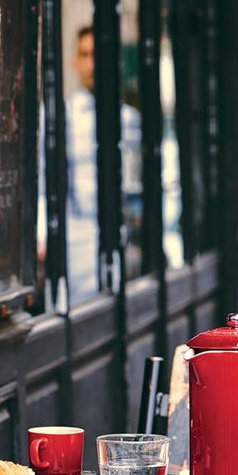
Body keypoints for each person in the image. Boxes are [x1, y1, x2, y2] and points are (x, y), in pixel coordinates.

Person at [64, 27, 143, 303]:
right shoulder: (63, 117)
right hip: (75, 236)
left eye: (97, 55)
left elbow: (135, 181)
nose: (91, 64)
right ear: (75, 61)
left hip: (120, 234)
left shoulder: (128, 118)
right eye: (85, 55)